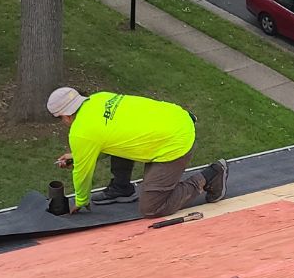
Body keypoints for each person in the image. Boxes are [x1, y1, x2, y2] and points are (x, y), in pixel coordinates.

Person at [46, 87, 227, 218]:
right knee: (119, 145)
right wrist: (77, 156)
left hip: (174, 141)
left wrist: (81, 200)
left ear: (66, 115)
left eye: (61, 118)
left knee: (152, 208)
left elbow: (82, 173)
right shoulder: (99, 98)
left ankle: (211, 176)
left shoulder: (81, 132)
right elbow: (108, 140)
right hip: (174, 117)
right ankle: (122, 188)